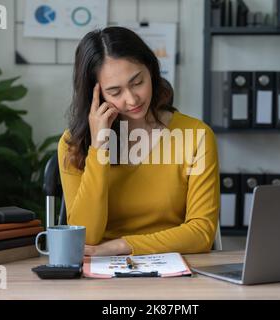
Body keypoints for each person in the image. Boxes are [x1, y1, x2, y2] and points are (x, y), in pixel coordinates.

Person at [58, 26, 220, 256]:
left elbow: (202, 233)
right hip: (99, 275)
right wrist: (99, 146)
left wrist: (120, 246)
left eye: (137, 82)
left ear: (151, 70)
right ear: (96, 94)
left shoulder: (196, 135)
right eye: (115, 92)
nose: (132, 99)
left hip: (172, 267)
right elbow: (86, 236)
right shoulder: (74, 144)